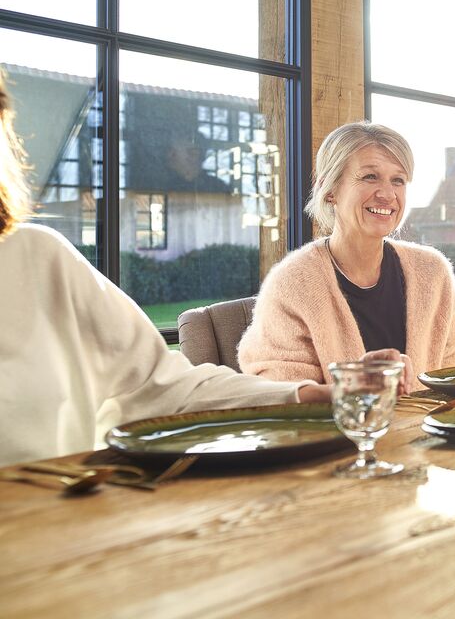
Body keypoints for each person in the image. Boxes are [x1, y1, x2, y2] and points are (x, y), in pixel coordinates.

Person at [0, 74, 331, 469]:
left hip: (62, 524)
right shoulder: (299, 277)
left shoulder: (37, 256)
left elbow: (163, 388)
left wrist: (304, 397)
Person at [238, 122, 455, 389]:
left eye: (398, 180)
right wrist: (355, 387)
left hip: (425, 430)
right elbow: (279, 393)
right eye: (370, 177)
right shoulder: (293, 282)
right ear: (330, 190)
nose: (387, 194)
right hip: (336, 432)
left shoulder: (433, 272)